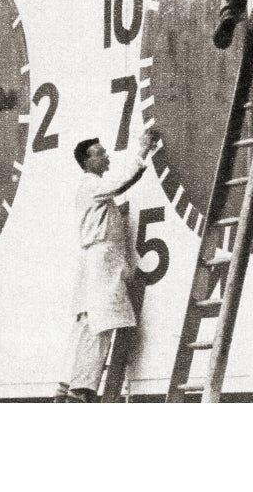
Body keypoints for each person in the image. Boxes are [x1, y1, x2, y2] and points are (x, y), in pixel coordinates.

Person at [55, 128, 162, 403]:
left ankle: (68, 385)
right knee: (100, 324)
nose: (106, 156)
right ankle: (82, 390)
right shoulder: (91, 184)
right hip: (102, 261)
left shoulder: (90, 188)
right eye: (100, 153)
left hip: (96, 260)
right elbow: (121, 182)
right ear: (87, 162)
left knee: (87, 322)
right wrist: (142, 150)